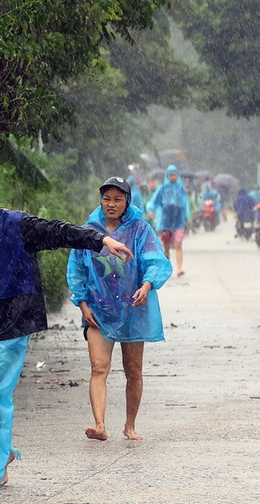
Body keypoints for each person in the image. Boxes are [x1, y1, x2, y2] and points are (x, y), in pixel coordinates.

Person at [0, 164, 133, 491]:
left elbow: (59, 231)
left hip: (13, 321)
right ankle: (4, 451)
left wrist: (99, 240)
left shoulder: (15, 225)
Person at [66, 177, 172, 442]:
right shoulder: (90, 231)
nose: (111, 204)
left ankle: (130, 425)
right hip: (98, 312)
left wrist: (147, 286)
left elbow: (156, 261)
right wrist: (82, 303)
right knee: (98, 367)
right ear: (100, 200)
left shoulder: (140, 230)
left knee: (133, 370)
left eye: (117, 199)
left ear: (127, 201)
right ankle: (100, 425)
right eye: (106, 198)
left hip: (133, 310)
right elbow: (76, 269)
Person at [146, 165, 189, 276]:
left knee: (178, 244)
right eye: (171, 175)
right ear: (167, 176)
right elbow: (154, 201)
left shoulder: (181, 189)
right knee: (166, 247)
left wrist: (187, 217)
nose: (173, 177)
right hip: (165, 222)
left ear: (178, 176)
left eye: (175, 175)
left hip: (179, 221)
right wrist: (150, 210)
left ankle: (179, 269)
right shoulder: (162, 189)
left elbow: (185, 204)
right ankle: (167, 268)